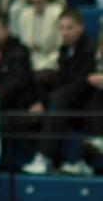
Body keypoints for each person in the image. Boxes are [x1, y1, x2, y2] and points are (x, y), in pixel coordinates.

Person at [22, 9, 97, 175]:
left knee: (58, 98)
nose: (65, 32)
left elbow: (81, 84)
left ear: (81, 28)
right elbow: (61, 81)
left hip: (86, 102)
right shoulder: (64, 50)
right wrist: (42, 103)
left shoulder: (89, 49)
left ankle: (44, 156)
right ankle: (53, 159)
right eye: (62, 28)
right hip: (66, 101)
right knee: (31, 109)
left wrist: (50, 101)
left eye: (70, 28)